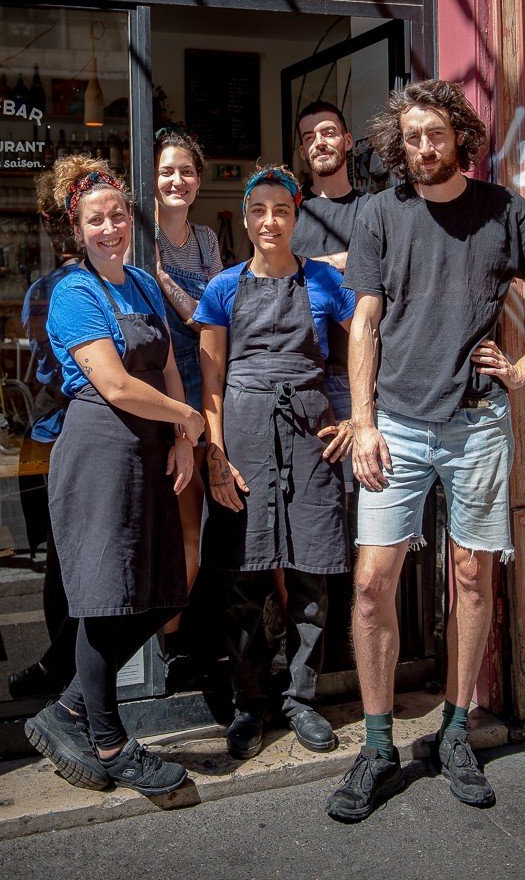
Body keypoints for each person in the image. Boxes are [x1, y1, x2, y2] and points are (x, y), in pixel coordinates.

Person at [327, 79, 525, 821]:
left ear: (459, 136)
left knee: (473, 578)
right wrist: (365, 419)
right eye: (409, 137)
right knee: (375, 581)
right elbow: (364, 323)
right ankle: (378, 744)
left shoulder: (502, 211)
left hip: (477, 423)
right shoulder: (381, 214)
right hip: (399, 426)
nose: (421, 148)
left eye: (434, 135)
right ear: (397, 143)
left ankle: (453, 731)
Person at [24, 155, 205, 798]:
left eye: (119, 215)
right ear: (76, 229)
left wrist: (183, 438)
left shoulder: (143, 284)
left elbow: (172, 367)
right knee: (105, 600)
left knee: (161, 593)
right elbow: (114, 382)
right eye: (96, 219)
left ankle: (68, 710)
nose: (110, 228)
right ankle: (108, 739)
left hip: (151, 449)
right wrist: (188, 418)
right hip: (100, 448)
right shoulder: (74, 291)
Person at [194, 166, 355, 760]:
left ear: (296, 216)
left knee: (312, 574)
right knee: (245, 577)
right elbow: (211, 378)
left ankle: (302, 700)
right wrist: (214, 452)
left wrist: (356, 417)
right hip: (243, 431)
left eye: (281, 211)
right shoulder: (222, 289)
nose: (270, 221)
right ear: (245, 219)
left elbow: (365, 338)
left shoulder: (323, 282)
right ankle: (249, 703)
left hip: (311, 432)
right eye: (258, 210)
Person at [152, 126, 223, 678]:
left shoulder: (204, 240)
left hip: (202, 389)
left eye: (186, 171)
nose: (177, 180)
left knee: (191, 516)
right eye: (166, 171)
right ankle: (158, 637)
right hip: (150, 390)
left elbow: (212, 315)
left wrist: (167, 287)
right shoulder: (137, 237)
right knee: (155, 516)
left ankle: (172, 641)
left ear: (198, 182)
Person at [9, 171, 80, 700]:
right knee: (63, 560)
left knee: (72, 561)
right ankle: (62, 672)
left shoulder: (123, 277)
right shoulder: (49, 290)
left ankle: (64, 673)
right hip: (54, 435)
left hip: (60, 432)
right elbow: (52, 369)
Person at [291, 100, 369, 492]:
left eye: (328, 132)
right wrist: (341, 262)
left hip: (353, 377)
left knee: (362, 499)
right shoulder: (289, 214)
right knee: (311, 501)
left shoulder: (374, 210)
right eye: (310, 137)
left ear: (348, 141)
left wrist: (318, 262)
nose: (320, 142)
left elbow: (389, 270)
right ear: (303, 152)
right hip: (297, 377)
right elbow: (273, 270)